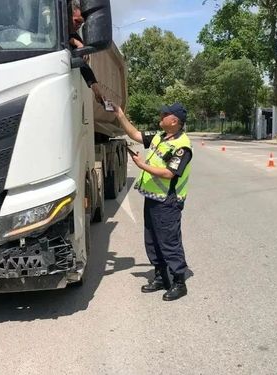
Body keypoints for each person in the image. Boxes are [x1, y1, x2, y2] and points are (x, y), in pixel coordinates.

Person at [113, 102, 193, 301]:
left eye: (165, 113)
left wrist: (142, 165)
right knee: (152, 240)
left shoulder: (182, 147)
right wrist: (120, 115)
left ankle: (179, 282)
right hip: (153, 198)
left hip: (168, 201)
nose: (161, 114)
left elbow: (168, 173)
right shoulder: (160, 137)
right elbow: (135, 135)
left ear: (174, 121)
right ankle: (160, 276)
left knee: (169, 242)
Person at [68, 1, 104, 104]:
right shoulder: (51, 29)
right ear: (67, 17)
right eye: (77, 21)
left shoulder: (76, 38)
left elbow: (82, 64)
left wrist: (95, 88)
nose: (79, 25)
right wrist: (76, 43)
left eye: (81, 23)